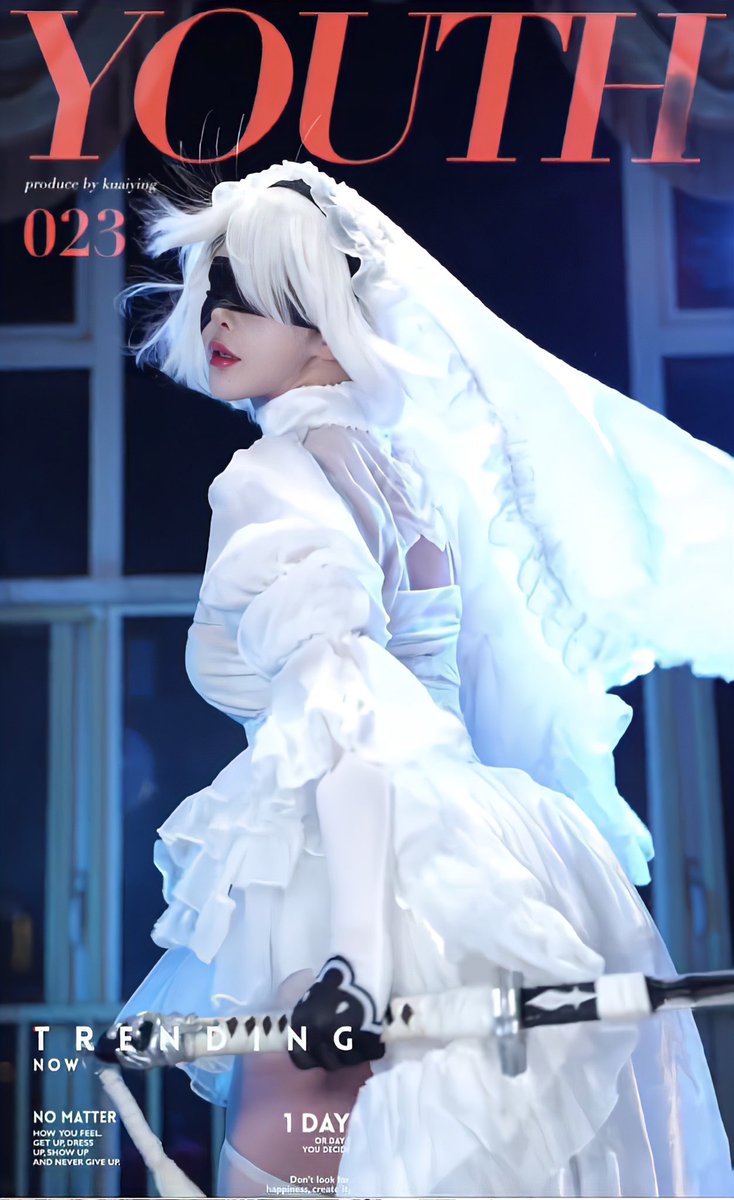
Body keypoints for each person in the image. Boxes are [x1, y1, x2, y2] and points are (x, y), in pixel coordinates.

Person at [121, 161, 734, 1197]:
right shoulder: (408, 476)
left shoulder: (270, 477)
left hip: (355, 872)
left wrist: (354, 965)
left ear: (324, 317)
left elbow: (346, 721)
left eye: (256, 295)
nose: (219, 319)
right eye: (214, 292)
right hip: (485, 855)